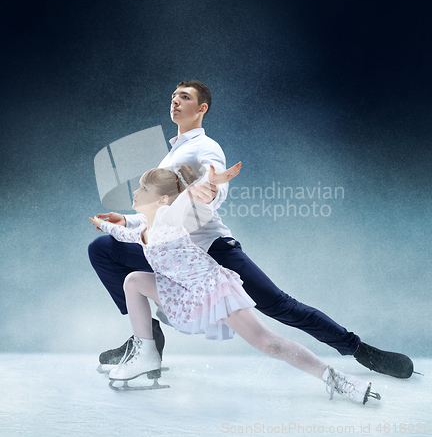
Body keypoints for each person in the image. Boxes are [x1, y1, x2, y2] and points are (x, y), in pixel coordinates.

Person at [88, 79, 414, 379]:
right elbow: (159, 216)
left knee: (278, 305)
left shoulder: (206, 148)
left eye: (184, 97)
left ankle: (357, 348)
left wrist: (213, 191)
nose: (175, 102)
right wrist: (129, 221)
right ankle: (147, 338)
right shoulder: (170, 155)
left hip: (212, 251)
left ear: (202, 108)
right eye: (173, 97)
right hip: (175, 257)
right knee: (103, 249)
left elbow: (214, 184)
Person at [89, 163, 381, 404]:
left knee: (268, 343)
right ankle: (147, 354)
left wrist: (206, 182)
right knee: (133, 281)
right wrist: (107, 225)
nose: (136, 190)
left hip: (211, 289)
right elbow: (128, 234)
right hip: (184, 293)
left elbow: (185, 199)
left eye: (143, 188)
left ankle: (339, 380)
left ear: (162, 199)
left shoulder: (168, 216)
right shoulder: (145, 227)